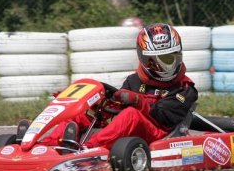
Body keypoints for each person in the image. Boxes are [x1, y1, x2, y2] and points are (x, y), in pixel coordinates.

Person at [26, 23, 198, 150]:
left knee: (131, 114)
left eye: (170, 58)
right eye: (158, 61)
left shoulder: (184, 88)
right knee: (81, 114)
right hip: (131, 132)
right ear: (145, 59)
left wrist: (137, 101)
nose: (167, 67)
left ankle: (86, 148)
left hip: (161, 135)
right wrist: (100, 104)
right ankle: (42, 146)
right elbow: (117, 111)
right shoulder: (134, 81)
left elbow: (163, 118)